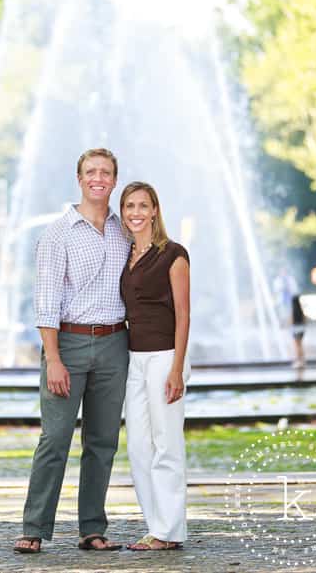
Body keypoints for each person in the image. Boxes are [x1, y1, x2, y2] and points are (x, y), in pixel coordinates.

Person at [13, 148, 130, 554]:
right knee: (56, 438)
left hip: (116, 343)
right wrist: (54, 359)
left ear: (114, 179)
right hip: (69, 344)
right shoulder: (57, 233)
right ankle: (34, 527)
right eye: (91, 171)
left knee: (103, 442)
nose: (99, 178)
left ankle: (92, 529)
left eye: (106, 172)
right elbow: (45, 302)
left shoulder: (124, 231)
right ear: (79, 178)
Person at [118, 181, 190, 552]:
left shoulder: (173, 254)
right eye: (129, 206)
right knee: (138, 449)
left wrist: (177, 369)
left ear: (155, 210)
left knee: (167, 444)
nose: (136, 212)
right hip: (134, 359)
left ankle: (169, 531)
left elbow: (183, 315)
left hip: (165, 357)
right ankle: (155, 525)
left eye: (143, 206)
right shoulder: (126, 254)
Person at [291, 294, 306, 369]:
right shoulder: (301, 310)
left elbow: (291, 321)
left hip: (295, 329)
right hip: (302, 329)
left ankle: (298, 361)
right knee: (300, 345)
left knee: (297, 346)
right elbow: (304, 319)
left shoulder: (293, 310)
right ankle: (302, 361)